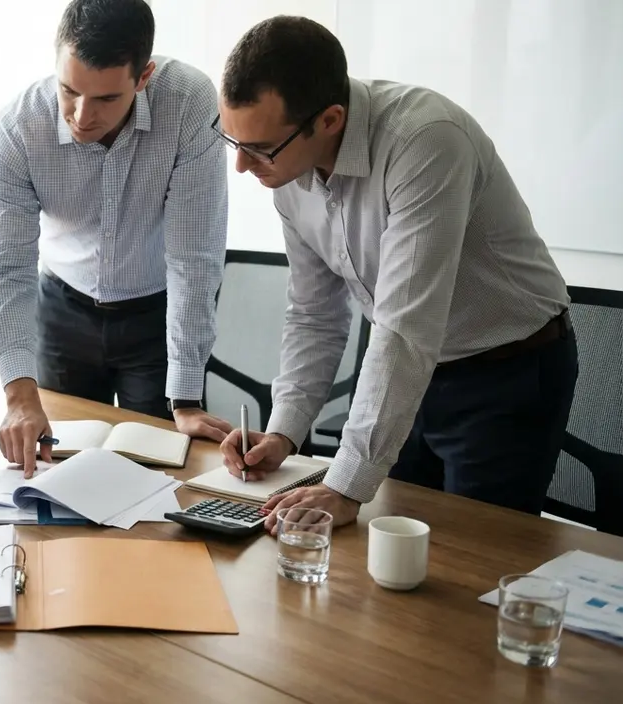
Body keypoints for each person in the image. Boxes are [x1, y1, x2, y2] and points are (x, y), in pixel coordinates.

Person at [213, 16, 577, 531]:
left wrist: (344, 485)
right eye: (234, 142)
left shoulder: (425, 140)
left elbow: (406, 327)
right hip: (407, 377)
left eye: (260, 149)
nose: (243, 167)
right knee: (388, 549)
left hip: (504, 374)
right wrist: (283, 433)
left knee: (473, 555)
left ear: (330, 120)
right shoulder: (287, 169)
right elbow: (315, 314)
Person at [0, 0, 230, 476]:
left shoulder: (189, 103)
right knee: (55, 470)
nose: (81, 115)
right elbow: (7, 267)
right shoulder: (18, 128)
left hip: (154, 317)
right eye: (69, 90)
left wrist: (185, 397)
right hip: (62, 311)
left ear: (143, 77)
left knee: (157, 472)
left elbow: (193, 257)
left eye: (105, 99)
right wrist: (18, 394)